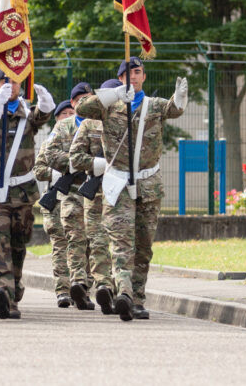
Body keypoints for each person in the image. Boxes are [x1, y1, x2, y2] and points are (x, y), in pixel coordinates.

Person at [73, 58, 187, 321]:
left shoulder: (154, 106)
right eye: (126, 74)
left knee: (143, 246)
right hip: (118, 184)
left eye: (137, 72)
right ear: (120, 78)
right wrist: (112, 94)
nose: (132, 77)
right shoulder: (108, 106)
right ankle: (124, 293)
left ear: (144, 76)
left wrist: (180, 98)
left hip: (148, 185)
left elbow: (174, 110)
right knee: (122, 242)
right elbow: (81, 107)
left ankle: (137, 299)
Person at [0, 76, 54, 319]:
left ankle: (12, 290)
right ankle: (1, 293)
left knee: (18, 246)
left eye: (17, 81)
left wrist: (45, 99)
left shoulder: (27, 114)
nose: (12, 85)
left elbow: (44, 115)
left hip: (23, 193)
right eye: (6, 81)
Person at [39, 82, 101, 311]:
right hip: (71, 192)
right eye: (81, 99)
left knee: (94, 243)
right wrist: (77, 162)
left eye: (90, 98)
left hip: (96, 191)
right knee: (74, 239)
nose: (85, 102)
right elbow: (49, 154)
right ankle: (76, 285)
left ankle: (88, 283)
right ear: (73, 103)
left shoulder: (101, 124)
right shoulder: (63, 127)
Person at [69, 79, 120, 315]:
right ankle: (103, 286)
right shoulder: (88, 124)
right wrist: (97, 164)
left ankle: (122, 287)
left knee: (122, 242)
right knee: (98, 241)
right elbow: (75, 158)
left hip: (121, 190)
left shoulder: (129, 120)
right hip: (96, 191)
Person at [33, 98, 81, 308]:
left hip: (78, 200)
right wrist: (56, 174)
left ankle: (80, 285)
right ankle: (62, 290)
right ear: (57, 119)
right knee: (60, 245)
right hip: (55, 202)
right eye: (64, 114)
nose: (69, 116)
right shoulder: (50, 142)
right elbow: (38, 169)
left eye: (72, 113)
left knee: (80, 243)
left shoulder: (86, 139)